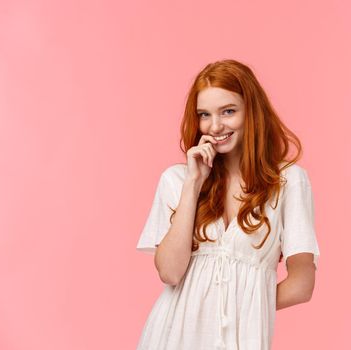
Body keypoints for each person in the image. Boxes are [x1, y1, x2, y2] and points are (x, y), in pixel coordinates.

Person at [136, 59, 320, 350]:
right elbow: (169, 272)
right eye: (204, 114)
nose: (215, 125)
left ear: (252, 112)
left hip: (241, 341)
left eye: (228, 111)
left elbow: (302, 284)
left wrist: (243, 310)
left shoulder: (288, 182)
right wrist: (193, 184)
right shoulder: (178, 179)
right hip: (171, 337)